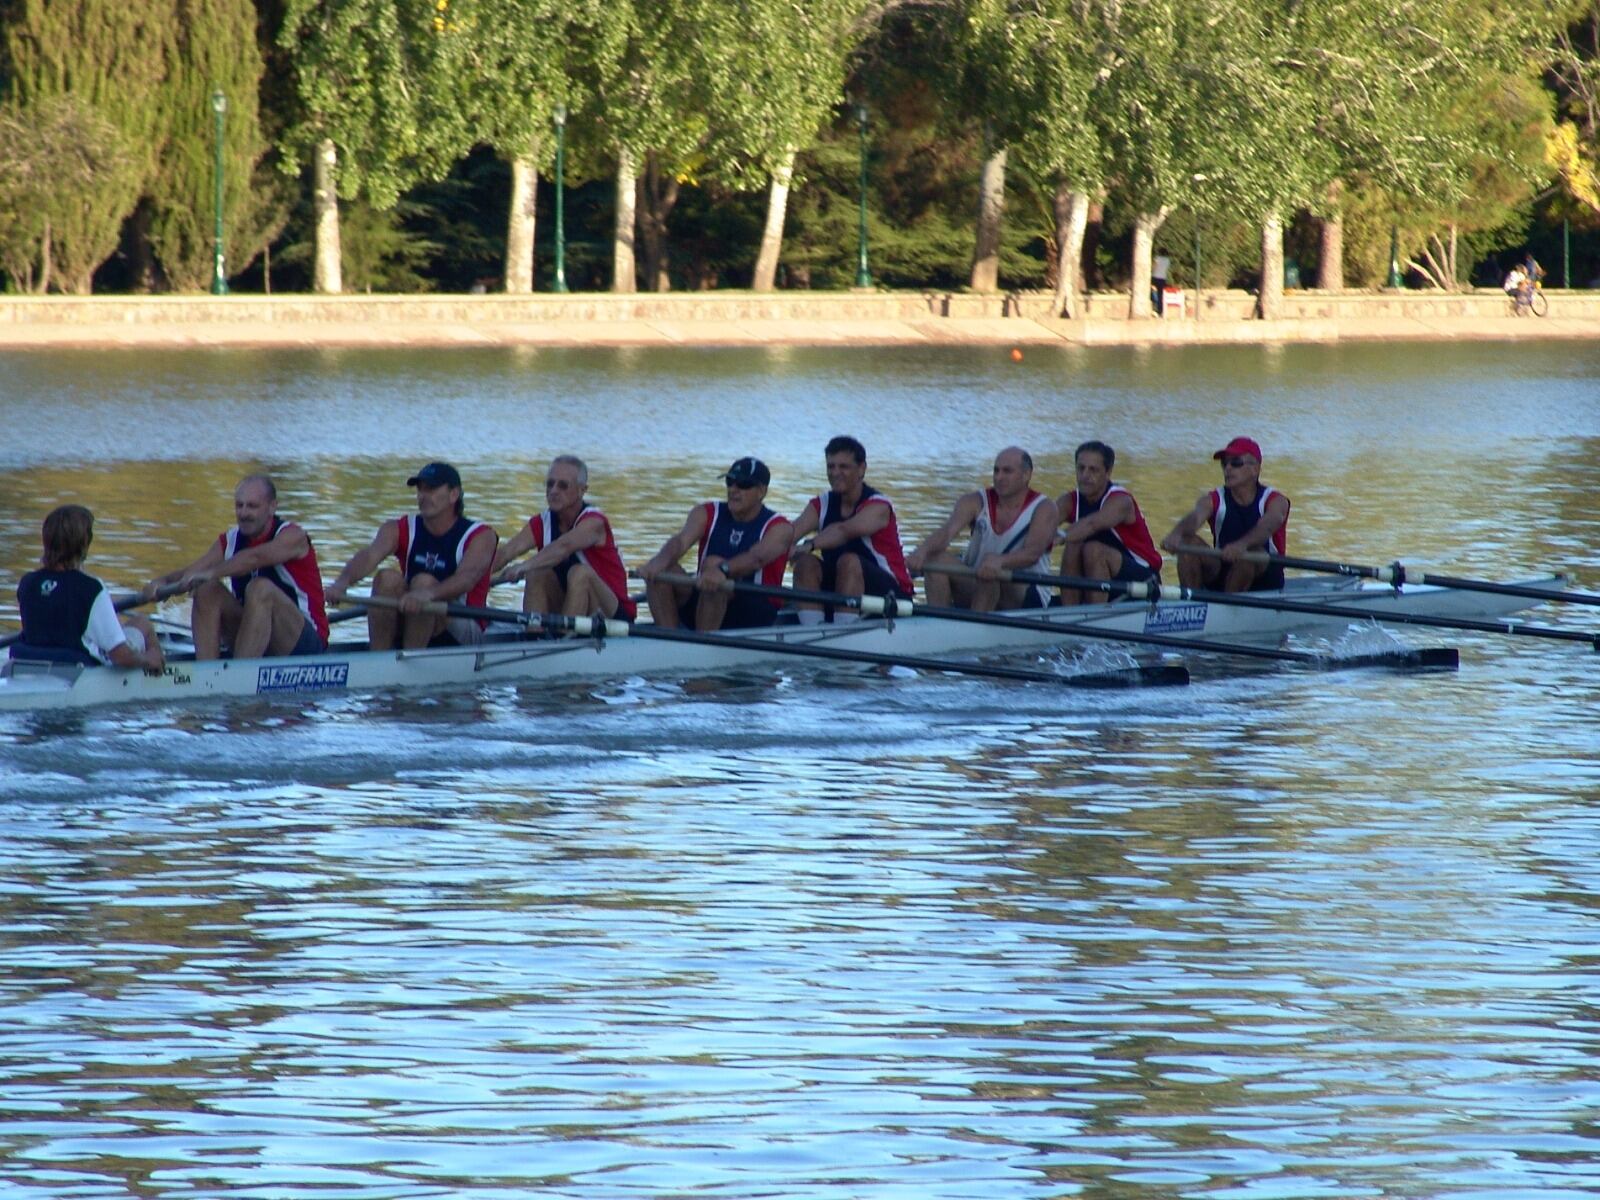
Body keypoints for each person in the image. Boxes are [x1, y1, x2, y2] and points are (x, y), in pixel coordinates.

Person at [144, 474, 328, 660]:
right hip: (257, 637)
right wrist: (162, 582)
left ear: (272, 507)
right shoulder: (231, 540)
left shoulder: (293, 537)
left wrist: (213, 572)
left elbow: (254, 558)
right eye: (239, 506)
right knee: (206, 588)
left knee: (259, 588)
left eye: (252, 506)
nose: (244, 513)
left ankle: (239, 675)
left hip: (304, 643)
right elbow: (192, 572)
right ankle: (208, 675)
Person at [325, 462, 498, 649]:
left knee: (423, 582)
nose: (423, 496)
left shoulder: (480, 536)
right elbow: (370, 555)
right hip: (415, 615)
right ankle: (379, 656)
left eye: (431, 489)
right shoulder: (399, 528)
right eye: (420, 490)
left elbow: (467, 579)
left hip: (463, 627)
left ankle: (409, 659)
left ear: (453, 495)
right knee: (386, 579)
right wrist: (342, 581)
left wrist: (427, 593)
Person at [637, 457, 794, 630]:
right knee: (662, 570)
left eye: (743, 484)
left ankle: (703, 644)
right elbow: (681, 541)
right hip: (706, 597)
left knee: (713, 569)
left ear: (761, 491)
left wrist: (722, 571)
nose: (734, 489)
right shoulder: (706, 513)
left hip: (754, 611)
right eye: (730, 482)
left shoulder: (780, 527)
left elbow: (756, 558)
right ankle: (667, 638)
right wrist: (660, 560)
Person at [12, 505, 163, 673]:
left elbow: (60, 595)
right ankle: (161, 669)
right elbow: (121, 656)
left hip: (26, 663)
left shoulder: (28, 583)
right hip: (77, 669)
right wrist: (149, 659)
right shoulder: (91, 588)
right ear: (84, 543)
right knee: (142, 623)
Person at [905, 446, 1057, 611]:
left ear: (1026, 475)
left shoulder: (1044, 507)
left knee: (992, 573)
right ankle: (939, 621)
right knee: (935, 559)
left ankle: (974, 625)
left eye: (1007, 471)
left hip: (1024, 593)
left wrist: (1000, 561)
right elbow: (947, 532)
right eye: (996, 471)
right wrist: (922, 551)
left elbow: (1032, 553)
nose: (999, 477)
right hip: (979, 580)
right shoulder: (974, 501)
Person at [491, 455, 637, 621]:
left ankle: (563, 636)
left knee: (580, 573)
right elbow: (506, 553)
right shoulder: (542, 522)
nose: (554, 491)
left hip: (613, 613)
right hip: (573, 606)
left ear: (582, 490)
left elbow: (563, 547)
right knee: (536, 573)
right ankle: (534, 635)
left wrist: (522, 567)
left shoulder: (594, 522)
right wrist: (471, 579)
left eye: (563, 486)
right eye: (550, 484)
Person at [789, 435, 913, 624]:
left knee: (848, 561)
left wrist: (809, 544)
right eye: (830, 466)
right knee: (805, 563)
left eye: (843, 467)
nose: (835, 473)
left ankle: (840, 631)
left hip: (890, 593)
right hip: (845, 588)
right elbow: (788, 534)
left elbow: (843, 531)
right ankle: (812, 628)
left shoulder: (878, 506)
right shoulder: (822, 503)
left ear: (861, 469)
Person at [1161, 436, 1291, 592]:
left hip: (1265, 576)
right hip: (1224, 569)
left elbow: (1268, 526)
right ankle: (1191, 603)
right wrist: (1177, 533)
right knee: (1188, 542)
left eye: (1236, 462)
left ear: (1255, 469)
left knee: (1251, 553)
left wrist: (1242, 545)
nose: (1228, 468)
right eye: (1224, 463)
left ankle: (1225, 608)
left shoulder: (1275, 500)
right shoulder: (1213, 499)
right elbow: (1195, 517)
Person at [1054, 440, 1163, 605]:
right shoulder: (1069, 500)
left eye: (1093, 470)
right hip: (1102, 578)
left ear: (1108, 472)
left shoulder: (1120, 500)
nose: (1085, 475)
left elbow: (1092, 524)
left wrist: (1060, 536)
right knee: (1073, 544)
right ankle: (1068, 611)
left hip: (1144, 579)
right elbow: (1040, 524)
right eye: (1081, 468)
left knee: (1092, 549)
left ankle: (1094, 615)